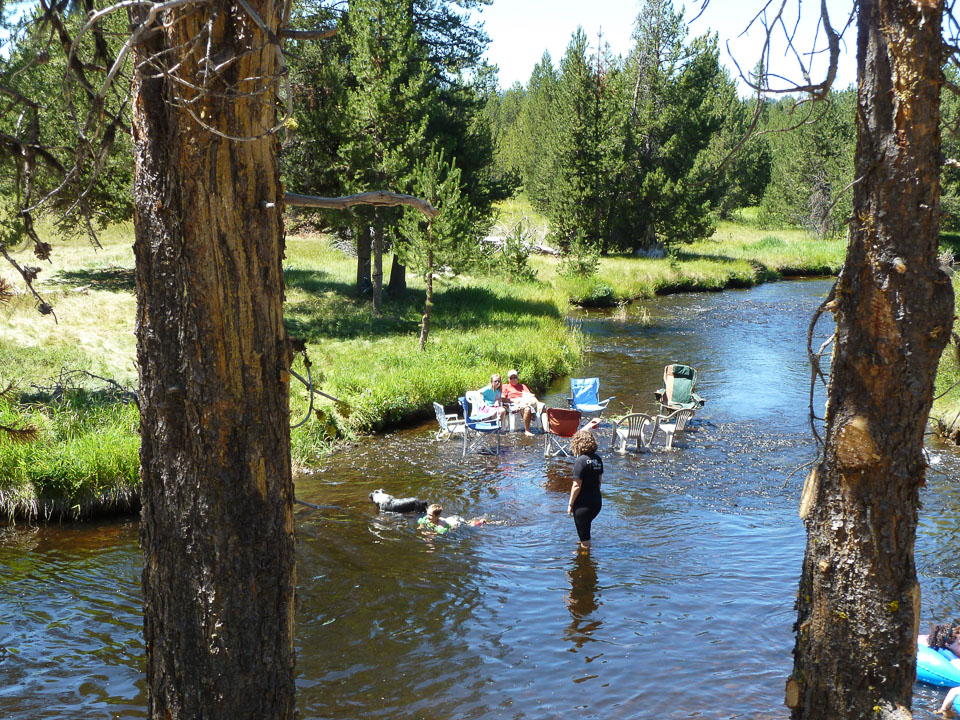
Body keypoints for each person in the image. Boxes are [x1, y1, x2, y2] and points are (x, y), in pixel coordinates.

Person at [567, 429, 603, 550]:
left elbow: (576, 486)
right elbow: (599, 482)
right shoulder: (598, 459)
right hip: (597, 502)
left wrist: (571, 504)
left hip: (583, 504)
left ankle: (583, 564)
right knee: (585, 527)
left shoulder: (580, 461)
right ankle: (582, 544)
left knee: (585, 541)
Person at [501, 368, 543, 436]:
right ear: (508, 379)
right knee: (527, 407)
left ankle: (540, 429)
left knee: (533, 407)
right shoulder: (505, 386)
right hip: (513, 404)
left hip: (525, 402)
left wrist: (536, 401)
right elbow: (502, 398)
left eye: (515, 377)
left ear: (518, 378)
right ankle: (532, 417)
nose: (513, 379)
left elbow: (529, 395)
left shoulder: (522, 386)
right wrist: (515, 400)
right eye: (511, 378)